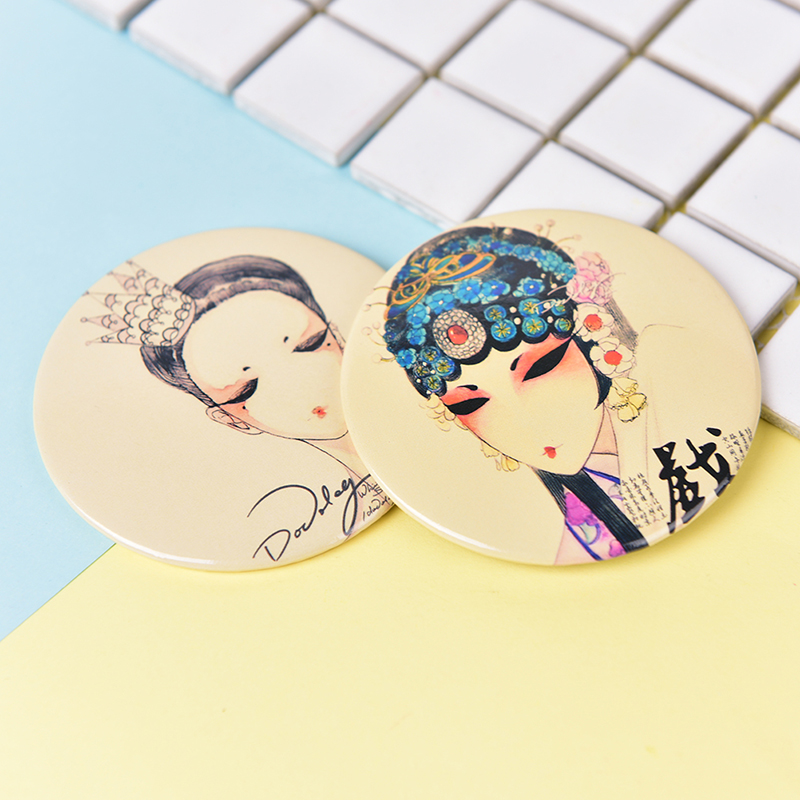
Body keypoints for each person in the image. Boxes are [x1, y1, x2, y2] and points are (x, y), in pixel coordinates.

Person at [381, 225, 649, 563]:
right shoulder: (564, 544)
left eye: (542, 367)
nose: (527, 421)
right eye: (471, 404)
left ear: (591, 334)